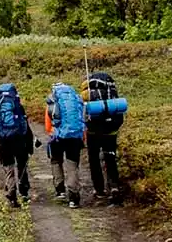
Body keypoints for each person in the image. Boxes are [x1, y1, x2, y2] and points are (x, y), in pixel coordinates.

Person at [0, 81, 33, 207]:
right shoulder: (18, 107)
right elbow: (26, 128)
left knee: (9, 168)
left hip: (4, 142)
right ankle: (24, 192)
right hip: (19, 140)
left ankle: (12, 194)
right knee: (22, 165)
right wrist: (30, 145)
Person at [45, 80, 88, 209]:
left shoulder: (52, 101)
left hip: (58, 137)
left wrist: (53, 132)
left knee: (56, 161)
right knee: (72, 165)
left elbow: (48, 126)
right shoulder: (77, 100)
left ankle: (60, 191)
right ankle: (73, 198)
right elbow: (83, 119)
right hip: (75, 137)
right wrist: (82, 137)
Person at [84, 70, 126, 202]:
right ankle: (114, 186)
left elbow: (84, 116)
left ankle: (99, 189)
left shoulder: (89, 95)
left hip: (93, 134)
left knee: (94, 160)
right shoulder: (112, 95)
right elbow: (120, 117)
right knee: (110, 158)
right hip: (110, 134)